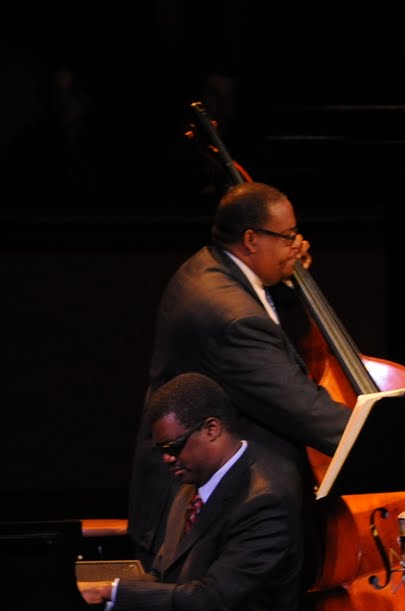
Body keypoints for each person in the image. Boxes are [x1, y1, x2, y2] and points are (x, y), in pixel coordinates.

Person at [129, 181, 349, 568]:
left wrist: (289, 278)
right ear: (251, 239)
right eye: (288, 236)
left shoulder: (209, 266)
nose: (297, 247)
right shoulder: (231, 317)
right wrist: (387, 439)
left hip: (197, 502)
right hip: (201, 519)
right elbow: (300, 406)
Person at [83, 373, 302, 611]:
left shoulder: (264, 502)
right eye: (162, 448)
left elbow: (209, 601)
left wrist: (114, 593)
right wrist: (98, 585)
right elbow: (165, 577)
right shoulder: (189, 487)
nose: (167, 459)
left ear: (212, 429)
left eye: (174, 446)